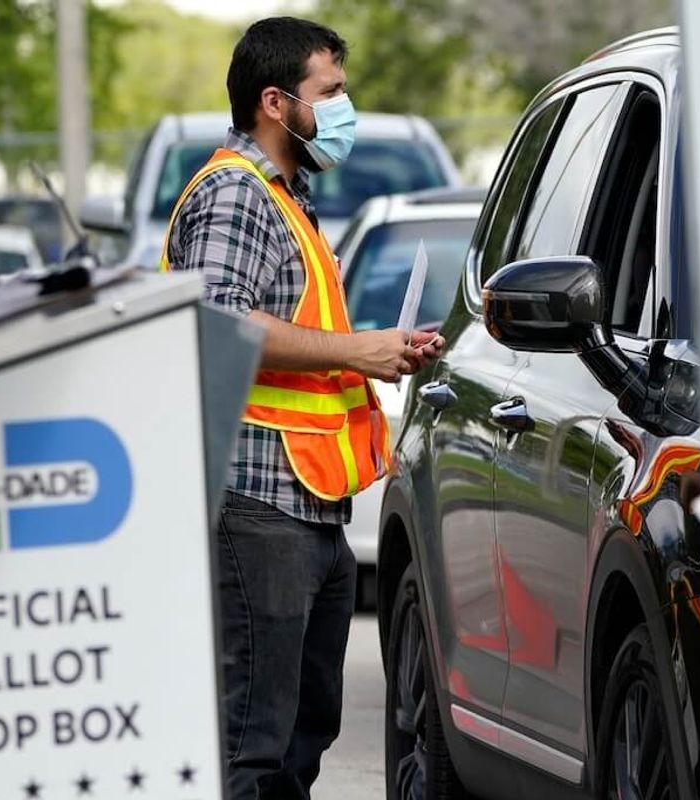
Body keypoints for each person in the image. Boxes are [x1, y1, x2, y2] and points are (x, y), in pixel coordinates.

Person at [160, 17, 443, 800]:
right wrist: (359, 351)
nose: (346, 110)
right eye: (334, 93)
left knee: (296, 742)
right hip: (257, 502)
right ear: (276, 103)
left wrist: (383, 349)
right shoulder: (233, 195)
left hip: (307, 504)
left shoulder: (288, 199)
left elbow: (291, 329)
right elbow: (217, 321)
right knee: (252, 745)